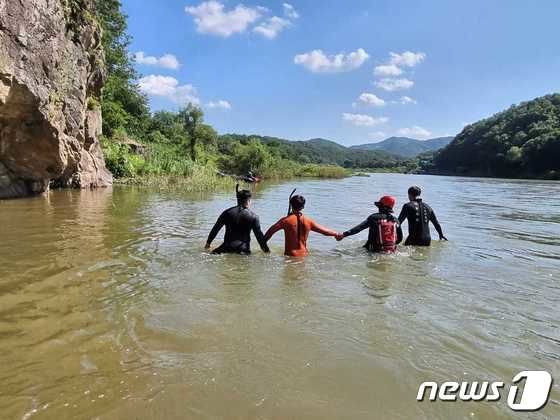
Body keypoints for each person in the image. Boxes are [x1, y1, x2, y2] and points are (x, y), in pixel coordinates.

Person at [264, 195, 339, 257]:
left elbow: (270, 233)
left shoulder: (285, 221)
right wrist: (336, 234)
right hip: (304, 256)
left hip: (290, 257)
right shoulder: (308, 221)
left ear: (291, 205)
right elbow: (324, 231)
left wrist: (263, 246)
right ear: (303, 207)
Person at [205, 187, 270, 254]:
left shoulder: (227, 213)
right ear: (248, 201)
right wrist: (267, 251)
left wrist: (208, 244)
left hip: (226, 247)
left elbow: (216, 229)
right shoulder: (254, 217)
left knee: (212, 253)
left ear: (237, 200)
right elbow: (259, 237)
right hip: (243, 250)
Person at [335, 195, 403, 253]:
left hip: (374, 251)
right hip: (391, 251)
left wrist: (344, 234)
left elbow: (359, 228)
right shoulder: (396, 220)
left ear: (380, 206)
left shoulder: (374, 217)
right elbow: (400, 239)